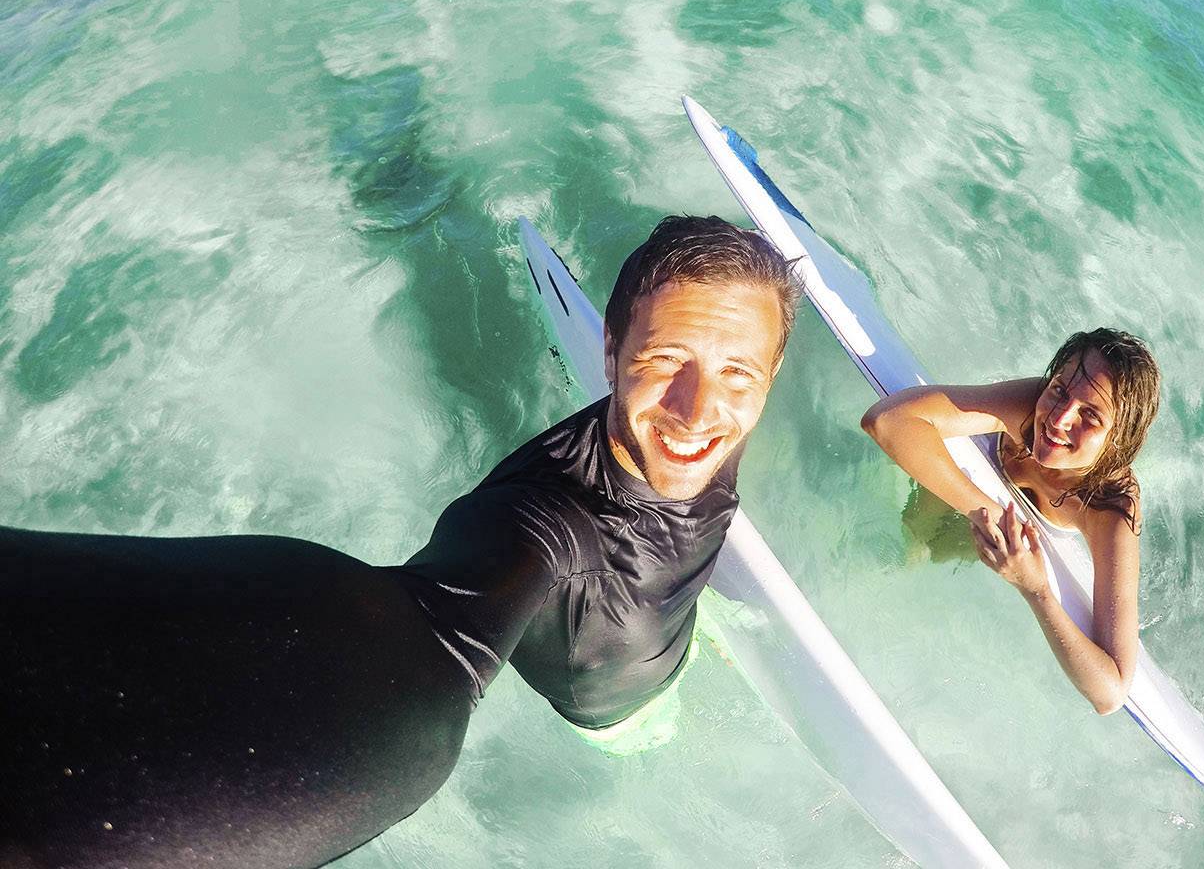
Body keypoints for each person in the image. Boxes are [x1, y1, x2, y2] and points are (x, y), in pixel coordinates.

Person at [0, 215, 800, 869]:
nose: (699, 414)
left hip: (661, 630)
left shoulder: (694, 421)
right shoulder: (542, 528)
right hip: (614, 725)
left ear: (771, 370)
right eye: (666, 361)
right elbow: (429, 644)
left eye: (739, 374)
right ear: (610, 354)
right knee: (649, 742)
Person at [860, 328, 1159, 715]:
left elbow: (1111, 691)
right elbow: (887, 420)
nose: (1058, 419)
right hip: (977, 488)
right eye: (1059, 389)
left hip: (1013, 556)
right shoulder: (1030, 404)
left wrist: (1037, 591)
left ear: (1118, 440)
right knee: (915, 537)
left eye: (1090, 415)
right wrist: (990, 514)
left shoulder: (1109, 508)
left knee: (937, 554)